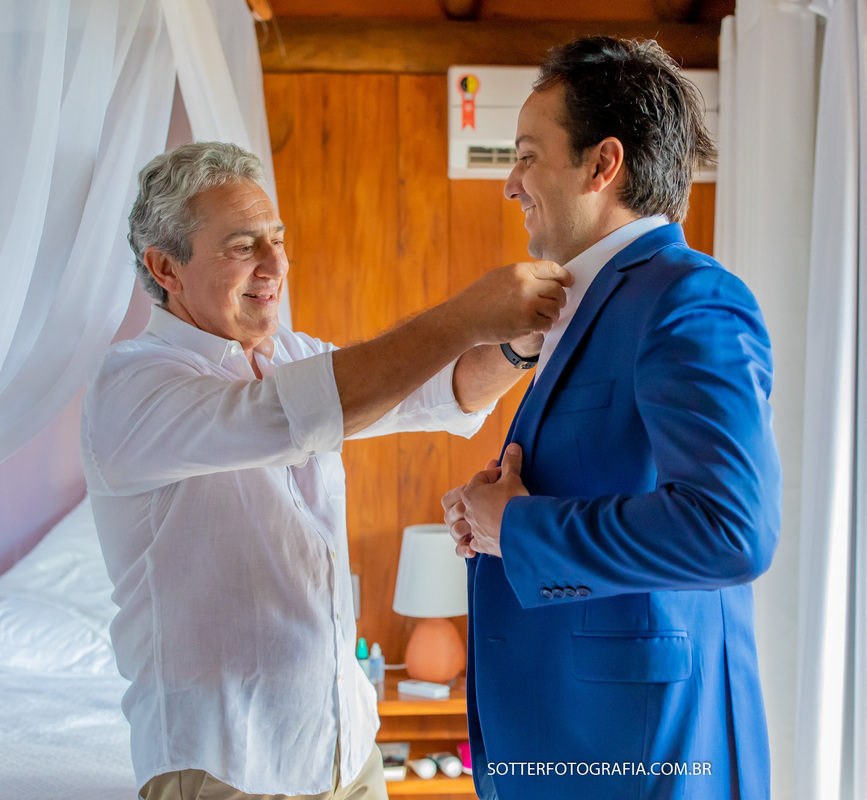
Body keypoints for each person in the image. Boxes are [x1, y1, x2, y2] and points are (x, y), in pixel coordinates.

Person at [80, 141, 571, 800]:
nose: (276, 264)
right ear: (165, 267)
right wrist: (464, 317)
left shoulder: (292, 354)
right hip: (226, 763)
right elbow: (285, 417)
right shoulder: (132, 385)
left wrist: (514, 345)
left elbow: (433, 392)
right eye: (242, 246)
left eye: (277, 240)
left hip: (345, 750)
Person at [441, 37, 781, 800]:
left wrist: (520, 532)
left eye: (527, 156)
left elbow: (732, 532)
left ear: (603, 165)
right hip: (575, 734)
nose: (510, 183)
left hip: (645, 750)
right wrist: (491, 517)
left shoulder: (690, 297)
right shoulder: (586, 306)